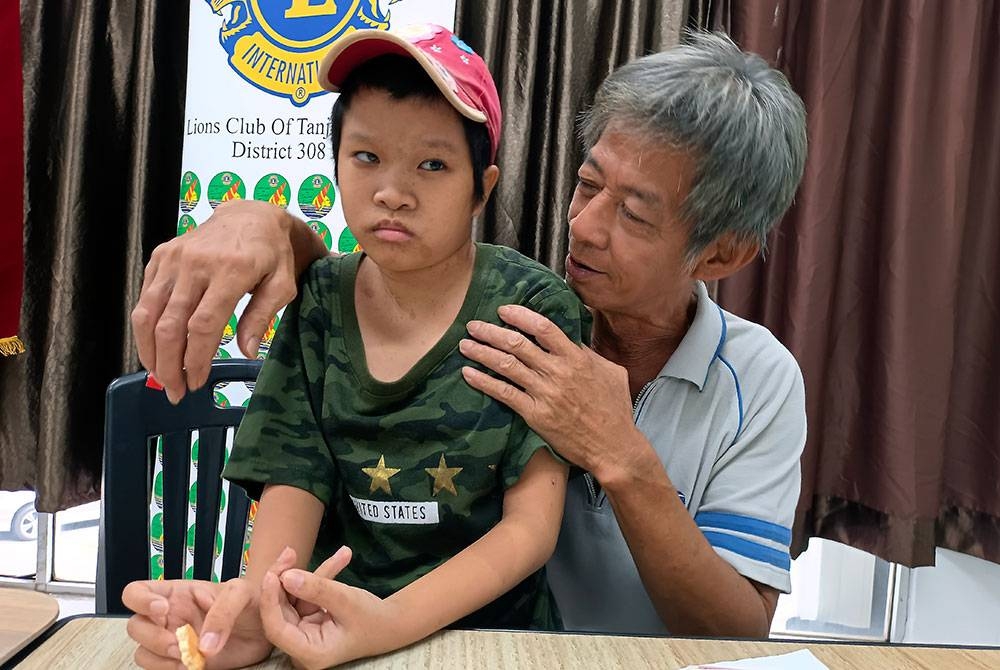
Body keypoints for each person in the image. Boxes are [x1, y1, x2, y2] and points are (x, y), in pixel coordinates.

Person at [128, 29, 807, 654]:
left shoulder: (755, 380)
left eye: (633, 214)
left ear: (720, 255)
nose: (587, 229)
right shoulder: (522, 306)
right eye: (588, 184)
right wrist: (262, 221)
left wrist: (622, 456)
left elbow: (735, 633)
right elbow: (348, 289)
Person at [125, 24, 590, 669]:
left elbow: (530, 531)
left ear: (482, 188)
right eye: (366, 157)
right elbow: (295, 475)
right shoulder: (317, 299)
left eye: (432, 164)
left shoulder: (534, 310)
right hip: (329, 636)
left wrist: (391, 621)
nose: (392, 192)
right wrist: (261, 612)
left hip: (495, 643)